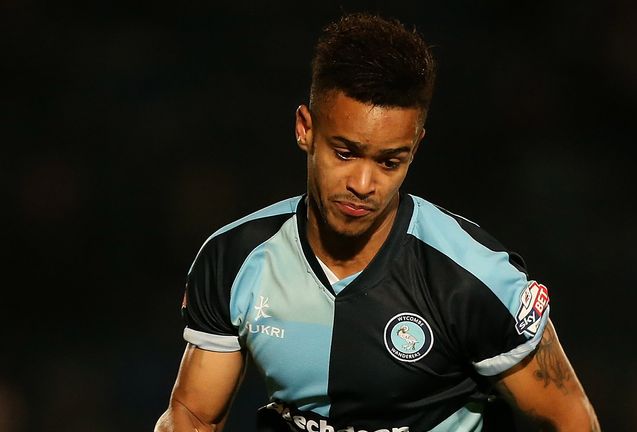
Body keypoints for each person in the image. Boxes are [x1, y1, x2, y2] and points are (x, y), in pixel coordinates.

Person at [155, 12, 600, 432]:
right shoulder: (234, 258)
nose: (364, 184)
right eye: (345, 153)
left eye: (389, 162)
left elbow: (570, 420)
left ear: (416, 147)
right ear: (305, 129)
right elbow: (194, 414)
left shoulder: (474, 279)